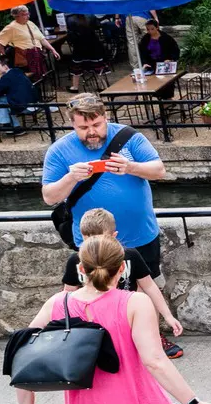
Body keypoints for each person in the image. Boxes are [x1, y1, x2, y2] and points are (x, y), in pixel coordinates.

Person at [13, 231, 211, 404]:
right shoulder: (135, 302)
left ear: (80, 269)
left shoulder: (58, 303)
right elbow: (155, 361)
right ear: (122, 268)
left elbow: (23, 350)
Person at [41, 94, 176, 352]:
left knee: (144, 287)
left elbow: (159, 170)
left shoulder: (129, 137)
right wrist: (71, 178)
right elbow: (49, 197)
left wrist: (130, 167)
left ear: (106, 118)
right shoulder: (59, 150)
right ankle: (96, 343)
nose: (92, 132)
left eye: (97, 125)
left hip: (140, 234)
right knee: (94, 291)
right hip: (93, 241)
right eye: (84, 128)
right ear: (72, 124)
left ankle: (151, 338)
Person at [64, 206, 183, 358]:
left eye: (102, 238)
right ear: (83, 237)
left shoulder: (130, 255)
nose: (97, 245)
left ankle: (153, 338)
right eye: (90, 239)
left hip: (127, 314)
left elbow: (149, 286)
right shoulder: (75, 260)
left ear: (114, 236)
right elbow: (67, 294)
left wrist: (168, 316)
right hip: (91, 321)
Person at [0, 51, 39, 131]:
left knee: (1, 100)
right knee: (5, 100)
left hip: (24, 106)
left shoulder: (6, 77)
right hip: (34, 102)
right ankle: (12, 125)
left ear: (5, 66)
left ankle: (9, 125)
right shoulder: (18, 71)